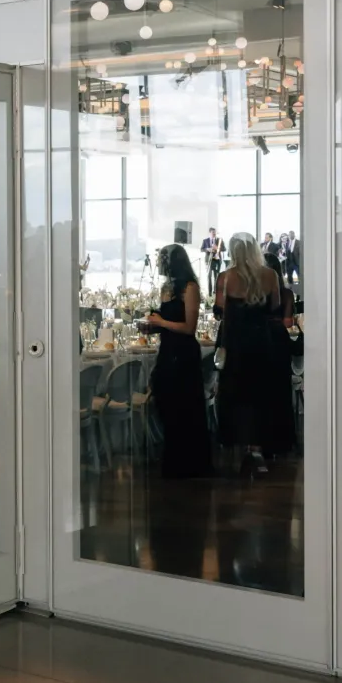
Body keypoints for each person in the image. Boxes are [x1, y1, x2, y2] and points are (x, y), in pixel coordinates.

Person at [142, 243, 214, 579]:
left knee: (185, 406)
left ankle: (189, 462)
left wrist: (161, 322)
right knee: (168, 404)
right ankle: (173, 457)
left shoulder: (190, 288)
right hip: (167, 351)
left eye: (162, 261)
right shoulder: (168, 287)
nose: (159, 266)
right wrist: (152, 325)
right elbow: (166, 322)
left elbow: (187, 327)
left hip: (182, 353)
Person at [213, 233, 295, 470]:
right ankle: (258, 449)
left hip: (235, 343)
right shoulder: (270, 275)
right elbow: (275, 308)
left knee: (237, 395)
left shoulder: (225, 278)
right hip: (262, 343)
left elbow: (220, 312)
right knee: (260, 396)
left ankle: (240, 446)